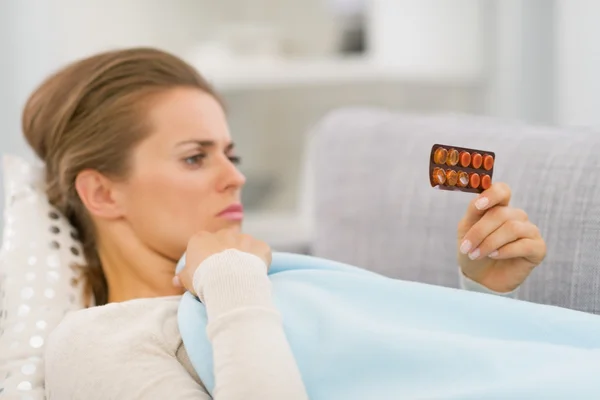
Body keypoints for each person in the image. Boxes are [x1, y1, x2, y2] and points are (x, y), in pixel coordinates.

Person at [25, 48, 545, 399]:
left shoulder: (265, 276)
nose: (235, 177)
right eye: (194, 158)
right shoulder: (95, 343)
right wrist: (230, 280)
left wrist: (485, 295)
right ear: (101, 192)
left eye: (232, 153)